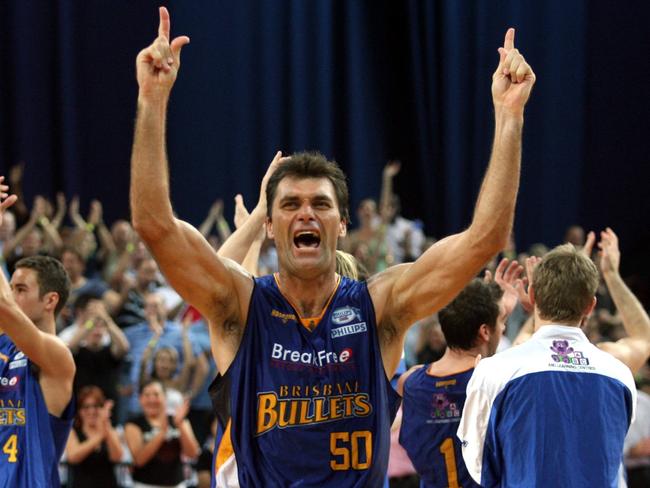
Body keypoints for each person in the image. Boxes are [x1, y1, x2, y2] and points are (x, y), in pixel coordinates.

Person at [130, 8, 534, 486]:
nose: (305, 213)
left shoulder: (380, 305)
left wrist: (509, 117)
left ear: (342, 223)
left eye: (320, 204)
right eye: (290, 204)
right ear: (272, 223)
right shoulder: (238, 303)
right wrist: (152, 101)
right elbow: (155, 226)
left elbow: (484, 238)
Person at [458, 244, 637, 487]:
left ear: (532, 297)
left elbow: (479, 466)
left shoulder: (495, 371)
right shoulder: (620, 375)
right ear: (591, 306)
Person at [397, 259, 521, 488]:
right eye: (500, 323)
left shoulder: (410, 383)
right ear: (484, 331)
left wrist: (490, 310)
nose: (503, 328)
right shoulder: (495, 383)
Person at [0, 177, 75, 486]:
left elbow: (4, 307)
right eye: (12, 287)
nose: (12, 293)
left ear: (50, 300)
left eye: (21, 289)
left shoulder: (57, 356)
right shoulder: (4, 343)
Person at [124, 379, 200, 488]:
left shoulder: (179, 420)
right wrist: (162, 433)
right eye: (147, 395)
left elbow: (193, 454)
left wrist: (180, 425)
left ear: (165, 398)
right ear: (140, 399)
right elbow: (139, 460)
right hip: (144, 485)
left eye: (156, 394)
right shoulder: (133, 424)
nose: (152, 399)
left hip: (177, 484)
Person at [64, 386, 123, 488]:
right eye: (86, 407)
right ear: (79, 411)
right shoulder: (72, 432)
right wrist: (100, 436)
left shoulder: (109, 430)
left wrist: (105, 425)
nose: (91, 411)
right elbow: (73, 457)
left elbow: (117, 457)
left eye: (96, 406)